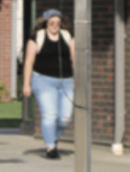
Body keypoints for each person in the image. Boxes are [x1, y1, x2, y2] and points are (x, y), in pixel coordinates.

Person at [23, 9, 75, 159]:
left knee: (66, 117)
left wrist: (77, 78)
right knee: (50, 114)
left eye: (57, 22)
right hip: (43, 80)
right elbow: (29, 61)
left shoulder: (68, 36)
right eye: (52, 22)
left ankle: (53, 137)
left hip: (66, 81)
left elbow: (74, 59)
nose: (55, 25)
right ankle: (50, 148)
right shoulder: (36, 37)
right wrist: (26, 84)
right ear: (45, 22)